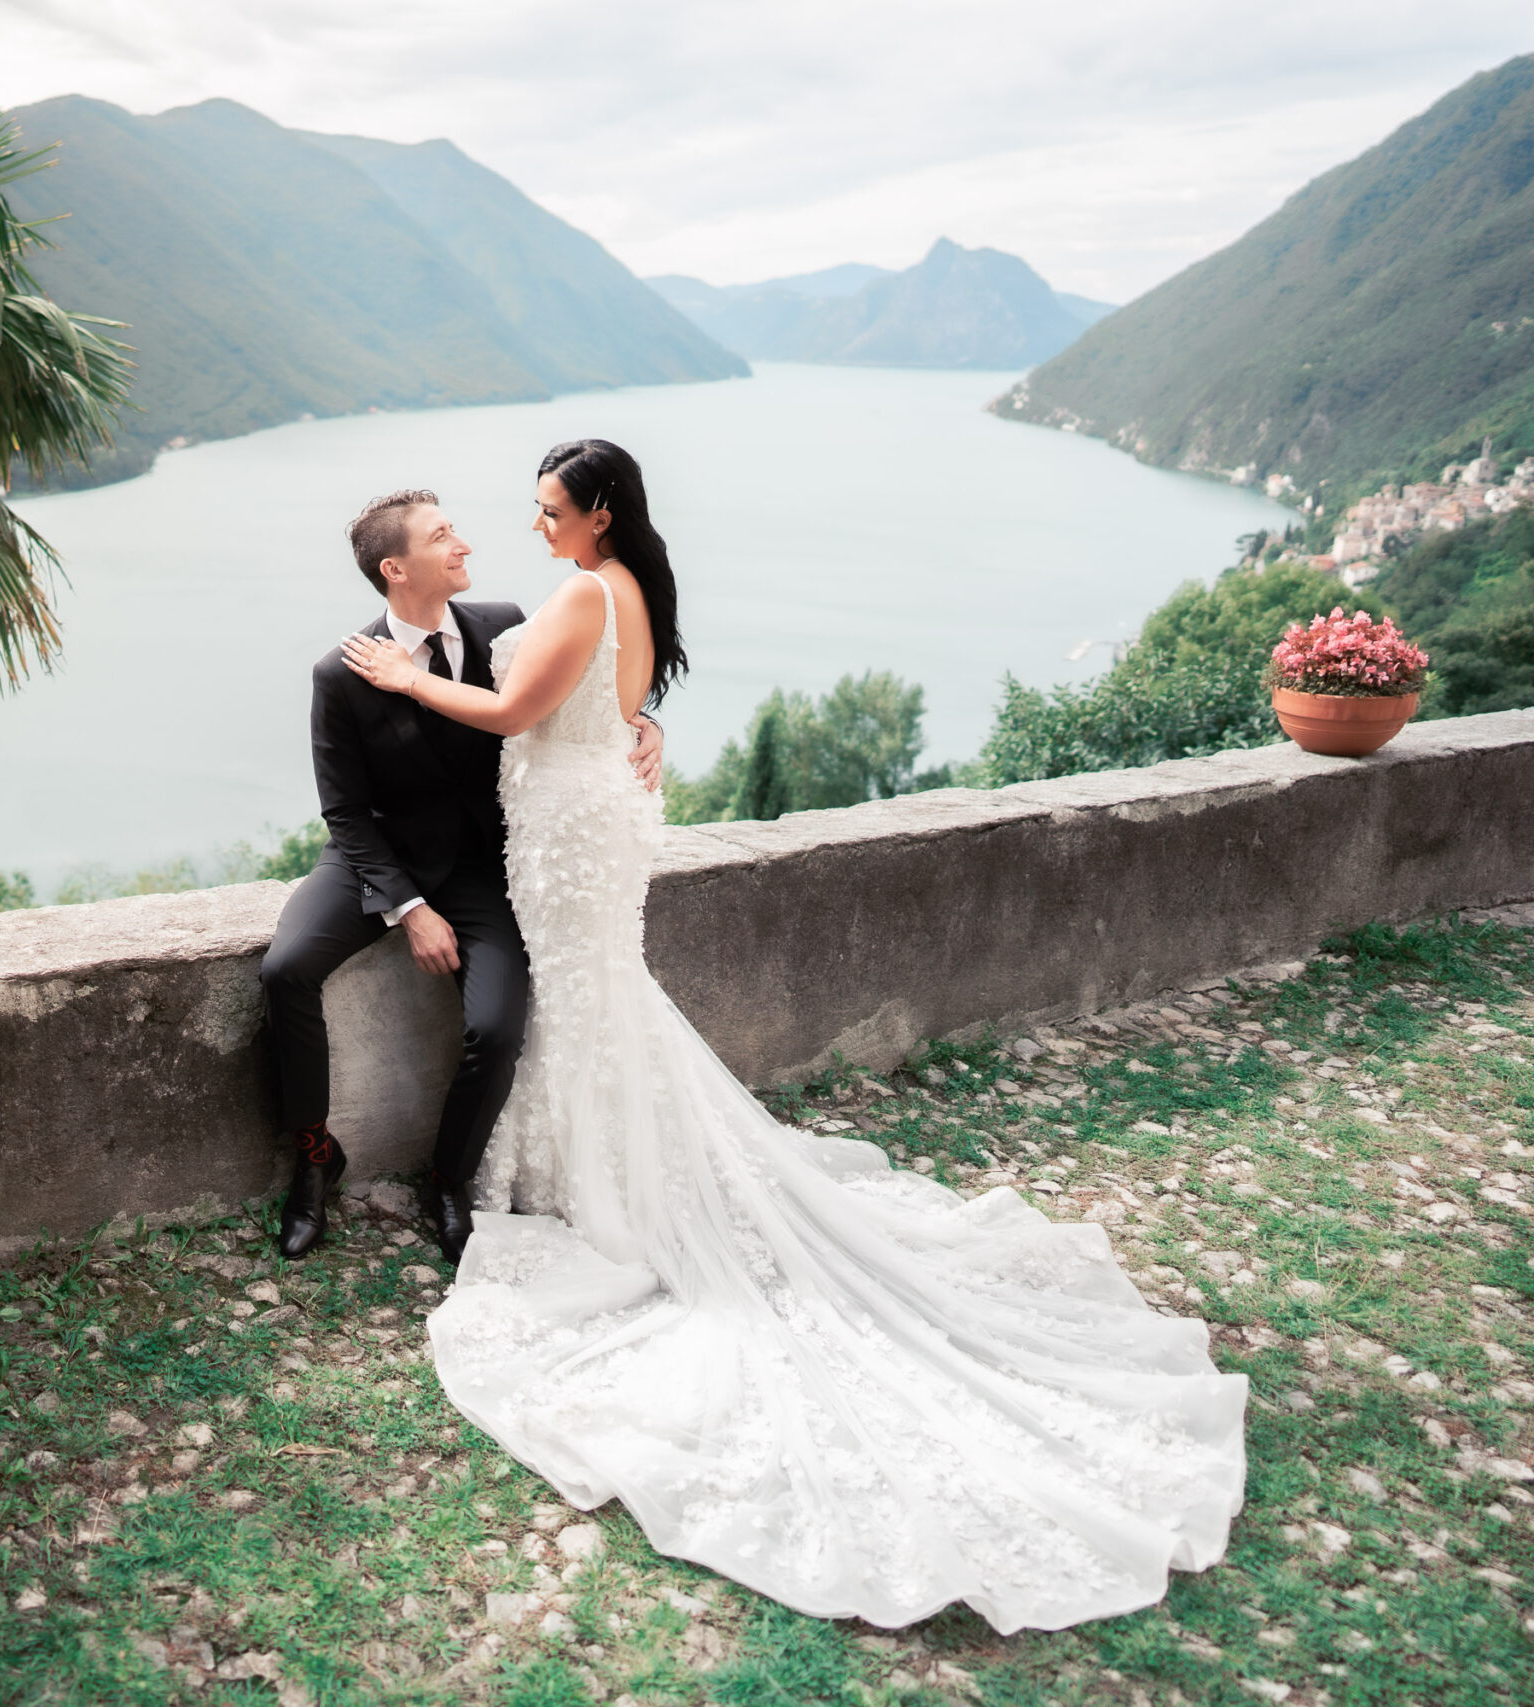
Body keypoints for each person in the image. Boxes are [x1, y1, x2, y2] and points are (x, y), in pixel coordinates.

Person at [337, 438, 1246, 1633]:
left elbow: (512, 707)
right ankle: (586, 1166)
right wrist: (636, 730)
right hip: (588, 817)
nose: (536, 524)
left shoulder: (577, 591)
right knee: (598, 1001)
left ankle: (605, 1187)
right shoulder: (628, 590)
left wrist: (406, 686)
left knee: (587, 998)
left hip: (566, 831)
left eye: (553, 509)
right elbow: (619, 700)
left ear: (600, 514)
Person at [260, 490, 664, 1262]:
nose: (464, 545)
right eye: (443, 535)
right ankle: (314, 1157)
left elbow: (583, 693)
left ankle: (449, 1178)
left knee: (497, 1026)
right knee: (284, 969)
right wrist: (408, 906)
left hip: (480, 867)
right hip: (374, 862)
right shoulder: (338, 672)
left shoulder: (504, 624)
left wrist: (647, 727)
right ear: (395, 567)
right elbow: (343, 813)